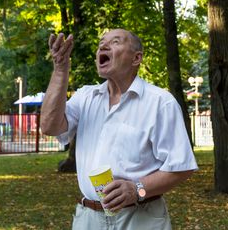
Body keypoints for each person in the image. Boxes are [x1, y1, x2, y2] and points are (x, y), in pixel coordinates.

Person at [40, 28, 198, 230]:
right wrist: (61, 69)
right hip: (88, 219)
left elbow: (182, 167)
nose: (103, 46)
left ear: (136, 58)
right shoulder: (85, 97)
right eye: (101, 44)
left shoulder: (160, 102)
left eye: (115, 42)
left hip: (141, 219)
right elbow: (49, 126)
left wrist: (137, 189)